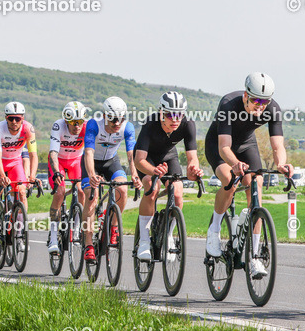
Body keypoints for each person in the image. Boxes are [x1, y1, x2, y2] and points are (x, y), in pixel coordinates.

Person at [204, 73, 292, 278]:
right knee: (229, 180)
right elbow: (224, 146)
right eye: (256, 101)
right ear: (245, 96)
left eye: (265, 102)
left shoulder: (272, 108)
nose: (260, 106)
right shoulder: (228, 104)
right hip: (220, 146)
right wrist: (234, 164)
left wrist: (281, 164)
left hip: (246, 145)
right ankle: (214, 231)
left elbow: (277, 145)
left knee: (256, 184)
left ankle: (254, 257)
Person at [133, 92, 202, 262]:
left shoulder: (188, 125)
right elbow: (139, 160)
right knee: (151, 186)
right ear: (161, 112)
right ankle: (143, 240)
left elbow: (192, 157)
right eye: (170, 114)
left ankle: (169, 235)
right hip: (146, 158)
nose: (175, 119)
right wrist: (154, 171)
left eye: (179, 114)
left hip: (168, 157)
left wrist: (194, 169)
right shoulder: (150, 124)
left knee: (177, 191)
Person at [80, 97, 138, 262]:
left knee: (122, 189)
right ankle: (89, 245)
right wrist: (91, 174)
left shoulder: (127, 128)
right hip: (91, 163)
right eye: (113, 119)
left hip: (111, 162)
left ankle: (113, 227)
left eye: (121, 118)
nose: (117, 122)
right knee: (92, 195)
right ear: (105, 115)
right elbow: (89, 152)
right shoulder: (93, 125)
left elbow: (130, 154)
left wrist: (134, 174)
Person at [0, 102, 37, 253]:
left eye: (17, 119)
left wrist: (32, 175)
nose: (14, 122)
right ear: (6, 118)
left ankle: (19, 234)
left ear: (22, 118)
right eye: (11, 118)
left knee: (21, 191)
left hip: (15, 162)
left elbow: (33, 155)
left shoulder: (28, 129)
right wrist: (1, 176)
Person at [47, 101, 89, 255]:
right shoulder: (58, 126)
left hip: (76, 161)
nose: (77, 126)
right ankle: (53, 238)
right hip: (59, 161)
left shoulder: (87, 127)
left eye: (80, 122)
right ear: (66, 121)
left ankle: (76, 229)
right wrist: (57, 172)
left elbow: (91, 151)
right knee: (59, 193)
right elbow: (53, 153)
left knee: (82, 191)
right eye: (73, 123)